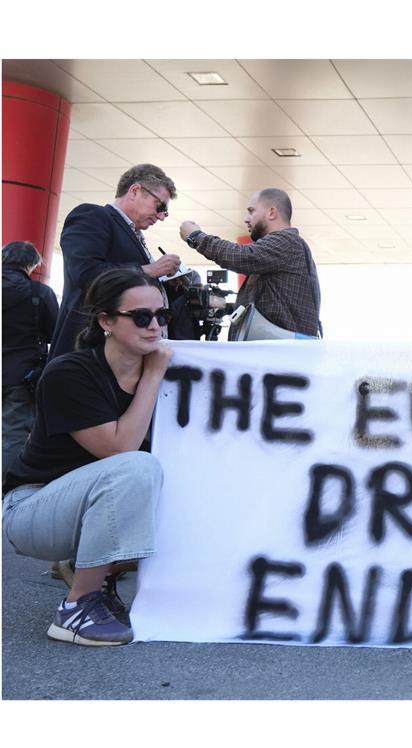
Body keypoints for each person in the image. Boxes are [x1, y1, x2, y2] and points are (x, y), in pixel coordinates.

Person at [3, 268, 172, 646]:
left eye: (162, 315)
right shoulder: (70, 372)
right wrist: (153, 377)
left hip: (91, 506)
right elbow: (119, 451)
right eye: (142, 317)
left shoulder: (164, 369)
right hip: (31, 509)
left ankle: (99, 570)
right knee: (136, 467)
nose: (154, 326)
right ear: (106, 321)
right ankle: (77, 607)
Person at [50, 164, 182, 360]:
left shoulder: (132, 233)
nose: (162, 216)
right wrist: (150, 270)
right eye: (160, 206)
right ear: (135, 191)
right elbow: (87, 273)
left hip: (121, 357)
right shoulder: (92, 215)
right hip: (90, 353)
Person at [180, 188, 322, 340]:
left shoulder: (287, 241)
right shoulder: (287, 247)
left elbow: (242, 257)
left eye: (251, 211)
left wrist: (196, 237)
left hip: (276, 357)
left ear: (272, 213)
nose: (246, 219)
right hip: (278, 355)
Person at [2, 242, 59, 478]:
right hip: (21, 373)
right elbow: (53, 332)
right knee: (14, 432)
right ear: (32, 264)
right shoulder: (39, 292)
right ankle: (6, 489)